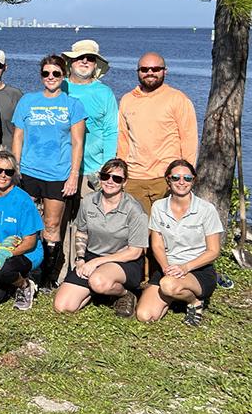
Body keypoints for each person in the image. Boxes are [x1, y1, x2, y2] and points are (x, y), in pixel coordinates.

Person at [11, 55, 86, 290]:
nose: (51, 77)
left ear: (63, 76)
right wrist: (16, 169)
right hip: (29, 172)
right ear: (41, 76)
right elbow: (18, 136)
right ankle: (27, 268)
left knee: (52, 225)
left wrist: (73, 174)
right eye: (46, 73)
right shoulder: (27, 101)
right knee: (27, 223)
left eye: (56, 73)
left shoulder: (73, 105)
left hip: (58, 174)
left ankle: (48, 277)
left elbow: (77, 142)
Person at [53, 158, 147, 317]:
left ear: (124, 182)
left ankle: (125, 293)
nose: (110, 181)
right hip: (91, 256)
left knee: (98, 281)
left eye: (117, 179)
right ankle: (99, 291)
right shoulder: (89, 201)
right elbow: (82, 232)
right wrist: (81, 259)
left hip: (123, 261)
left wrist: (95, 263)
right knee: (63, 306)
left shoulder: (134, 209)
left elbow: (135, 252)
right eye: (105, 176)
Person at [136, 160, 223, 326]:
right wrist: (165, 268)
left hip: (198, 269)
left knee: (168, 285)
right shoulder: (159, 207)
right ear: (168, 180)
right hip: (168, 268)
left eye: (187, 178)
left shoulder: (206, 209)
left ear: (193, 180)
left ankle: (194, 301)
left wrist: (185, 268)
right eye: (176, 178)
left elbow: (213, 251)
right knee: (144, 315)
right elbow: (157, 245)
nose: (181, 182)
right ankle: (175, 295)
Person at [117, 52, 198, 213]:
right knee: (136, 233)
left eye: (155, 68)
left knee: (166, 231)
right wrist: (121, 173)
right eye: (144, 69)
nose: (150, 72)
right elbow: (123, 139)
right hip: (134, 178)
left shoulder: (178, 99)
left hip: (166, 178)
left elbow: (189, 139)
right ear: (138, 72)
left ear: (164, 71)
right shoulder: (127, 99)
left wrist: (186, 177)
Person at [0, 151, 43, 310]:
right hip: (0, 249)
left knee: (3, 269)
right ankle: (12, 278)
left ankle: (24, 285)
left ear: (14, 175)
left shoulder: (23, 199)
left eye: (8, 172)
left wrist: (7, 253)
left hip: (26, 252)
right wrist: (0, 249)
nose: (3, 175)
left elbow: (30, 241)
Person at [62, 40, 118, 189]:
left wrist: (107, 169)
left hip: (93, 172)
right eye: (80, 57)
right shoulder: (59, 87)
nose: (85, 61)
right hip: (60, 170)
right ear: (71, 62)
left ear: (95, 65)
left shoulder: (105, 93)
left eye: (90, 58)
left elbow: (111, 131)